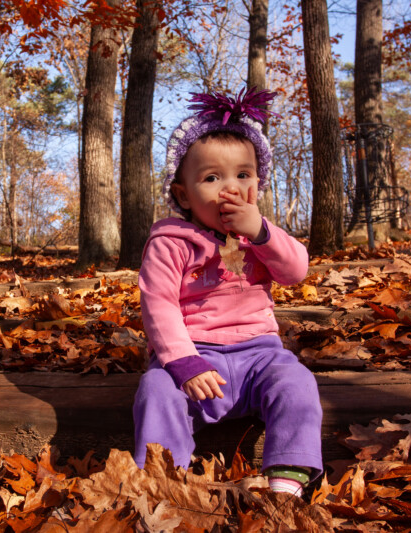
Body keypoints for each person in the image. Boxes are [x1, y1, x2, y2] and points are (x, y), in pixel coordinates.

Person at [133, 88, 322, 497]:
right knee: (156, 391)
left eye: (243, 175)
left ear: (258, 182)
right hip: (194, 357)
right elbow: (158, 303)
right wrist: (183, 362)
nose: (229, 189)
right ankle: (162, 481)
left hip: (260, 355)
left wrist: (261, 233)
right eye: (212, 178)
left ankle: (287, 479)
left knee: (297, 382)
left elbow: (295, 272)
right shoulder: (171, 241)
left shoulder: (260, 234)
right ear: (183, 194)